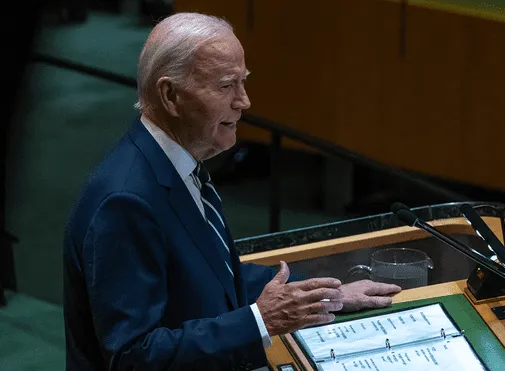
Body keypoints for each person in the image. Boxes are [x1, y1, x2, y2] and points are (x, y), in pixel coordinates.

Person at [62, 12, 402, 371]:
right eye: (226, 86)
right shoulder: (125, 201)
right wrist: (261, 321)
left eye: (243, 82)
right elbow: (133, 357)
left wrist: (324, 297)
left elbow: (212, 273)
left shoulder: (176, 164)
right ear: (170, 95)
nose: (244, 101)